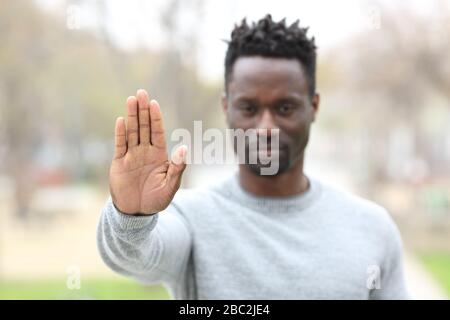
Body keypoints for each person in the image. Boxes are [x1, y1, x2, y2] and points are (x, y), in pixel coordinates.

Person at [97, 14, 409, 299]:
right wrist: (131, 216)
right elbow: (138, 259)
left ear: (313, 107)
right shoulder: (191, 217)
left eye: (284, 108)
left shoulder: (371, 227)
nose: (266, 127)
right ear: (226, 108)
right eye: (249, 108)